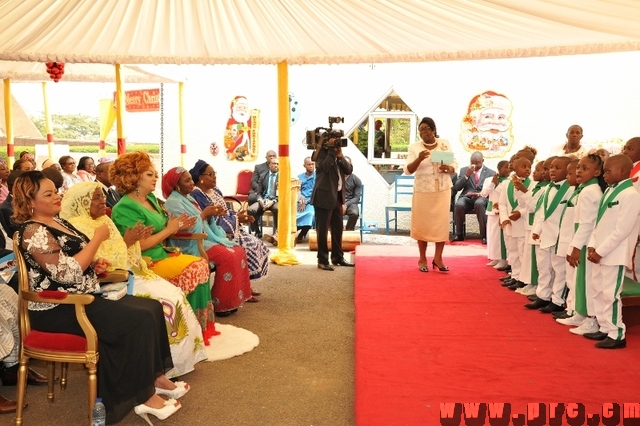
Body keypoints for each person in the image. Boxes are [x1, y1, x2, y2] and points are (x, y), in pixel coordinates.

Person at [12, 171, 184, 424]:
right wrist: (96, 240)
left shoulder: (58, 222)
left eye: (55, 190)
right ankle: (142, 396)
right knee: (135, 320)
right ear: (30, 201)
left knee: (151, 308)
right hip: (56, 307)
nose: (57, 195)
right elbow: (67, 274)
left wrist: (95, 265)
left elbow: (75, 261)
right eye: (48, 194)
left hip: (82, 296)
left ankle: (153, 379)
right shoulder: (32, 231)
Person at [60, 182, 209, 376]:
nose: (102, 200)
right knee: (164, 303)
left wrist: (130, 242)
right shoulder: (79, 224)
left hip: (129, 271)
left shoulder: (104, 218)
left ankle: (178, 361)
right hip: (109, 282)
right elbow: (101, 259)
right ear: (82, 201)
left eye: (102, 196)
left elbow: (119, 250)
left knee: (174, 294)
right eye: (96, 197)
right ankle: (161, 368)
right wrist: (128, 242)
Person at [109, 152, 216, 327]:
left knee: (200, 264)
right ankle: (186, 326)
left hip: (161, 252)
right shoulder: (125, 207)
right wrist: (169, 229)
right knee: (195, 267)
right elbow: (140, 246)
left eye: (155, 174)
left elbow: (165, 225)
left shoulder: (150, 198)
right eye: (149, 175)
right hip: (143, 262)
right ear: (134, 177)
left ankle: (199, 326)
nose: (155, 178)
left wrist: (178, 225)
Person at [162, 167, 255, 313]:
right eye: (187, 180)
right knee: (228, 256)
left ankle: (231, 299)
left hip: (203, 238)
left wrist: (211, 215)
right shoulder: (173, 202)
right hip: (188, 243)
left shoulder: (190, 198)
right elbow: (182, 228)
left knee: (238, 250)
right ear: (177, 185)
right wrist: (204, 214)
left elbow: (202, 222)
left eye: (191, 179)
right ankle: (220, 304)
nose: (192, 183)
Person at [586, 155, 640, 348]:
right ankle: (604, 327)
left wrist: (600, 250)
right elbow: (599, 223)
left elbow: (622, 230)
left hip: (614, 252)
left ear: (624, 172)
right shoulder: (609, 191)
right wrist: (592, 245)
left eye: (609, 171)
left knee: (610, 294)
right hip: (600, 250)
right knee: (598, 290)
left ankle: (617, 334)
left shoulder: (631, 195)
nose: (605, 174)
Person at [189, 160, 269, 282]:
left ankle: (245, 286)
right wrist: (236, 219)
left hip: (229, 227)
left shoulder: (215, 191)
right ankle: (242, 285)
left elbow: (226, 211)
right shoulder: (197, 194)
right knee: (249, 246)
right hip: (215, 233)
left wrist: (238, 216)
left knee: (257, 243)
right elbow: (213, 219)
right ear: (201, 178)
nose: (214, 177)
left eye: (214, 173)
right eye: (210, 174)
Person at [559, 154, 606, 333]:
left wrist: (576, 248)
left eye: (585, 168)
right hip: (581, 240)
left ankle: (591, 319)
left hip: (586, 243)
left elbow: (587, 224)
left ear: (597, 172)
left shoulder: (590, 191)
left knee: (587, 282)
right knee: (580, 280)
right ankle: (580, 314)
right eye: (579, 167)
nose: (579, 171)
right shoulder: (584, 189)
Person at [403, 117, 456, 273]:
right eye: (421, 130)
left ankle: (438, 258)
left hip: (442, 189)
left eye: (427, 129)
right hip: (423, 191)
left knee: (441, 225)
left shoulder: (444, 144)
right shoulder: (414, 147)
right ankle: (422, 258)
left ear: (434, 130)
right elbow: (408, 170)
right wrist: (419, 158)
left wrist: (449, 169)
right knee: (423, 225)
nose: (424, 132)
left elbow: (453, 163)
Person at [526, 156, 574, 312]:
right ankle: (543, 295)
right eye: (551, 167)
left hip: (560, 236)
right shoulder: (547, 188)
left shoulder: (571, 189)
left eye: (558, 168)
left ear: (568, 171)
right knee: (544, 267)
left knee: (559, 270)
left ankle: (558, 300)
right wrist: (537, 230)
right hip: (545, 235)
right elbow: (542, 213)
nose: (552, 170)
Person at [311, 137, 355, 271]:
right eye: (333, 142)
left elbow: (348, 170)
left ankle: (337, 257)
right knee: (322, 230)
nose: (336, 144)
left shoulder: (338, 155)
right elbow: (324, 167)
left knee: (337, 229)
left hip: (337, 197)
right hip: (323, 197)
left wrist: (340, 156)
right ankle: (322, 260)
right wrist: (331, 151)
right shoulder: (318, 154)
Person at [452, 151, 495, 243]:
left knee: (479, 204)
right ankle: (459, 234)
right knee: (459, 204)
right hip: (466, 197)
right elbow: (457, 187)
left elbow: (491, 190)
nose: (474, 165)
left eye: (477, 163)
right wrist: (466, 175)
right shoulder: (464, 170)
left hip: (481, 197)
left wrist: (480, 194)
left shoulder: (491, 173)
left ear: (483, 161)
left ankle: (484, 236)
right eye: (472, 162)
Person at [480, 160, 509, 267]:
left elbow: (505, 194)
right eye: (506, 167)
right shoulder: (488, 180)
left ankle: (503, 259)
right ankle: (495, 257)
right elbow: (484, 194)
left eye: (510, 167)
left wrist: (497, 184)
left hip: (501, 211)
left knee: (500, 237)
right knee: (492, 236)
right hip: (491, 210)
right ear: (499, 168)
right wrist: (493, 182)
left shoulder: (509, 181)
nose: (508, 169)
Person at [248, 158, 279, 246]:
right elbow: (258, 192)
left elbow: (282, 194)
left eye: (277, 164)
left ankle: (277, 234)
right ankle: (257, 231)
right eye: (273, 164)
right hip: (264, 200)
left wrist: (273, 201)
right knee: (251, 210)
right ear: (269, 165)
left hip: (274, 201)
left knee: (278, 209)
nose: (276, 165)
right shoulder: (263, 176)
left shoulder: (282, 177)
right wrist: (260, 200)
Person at [296, 157, 315, 242]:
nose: (311, 166)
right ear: (304, 165)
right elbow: (296, 190)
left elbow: (316, 193)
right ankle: (289, 234)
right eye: (309, 164)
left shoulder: (318, 177)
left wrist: (306, 202)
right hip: (299, 202)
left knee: (310, 214)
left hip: (312, 201)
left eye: (312, 164)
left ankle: (301, 234)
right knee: (292, 215)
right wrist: (300, 197)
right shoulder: (299, 177)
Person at [343, 156, 362, 231]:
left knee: (354, 213)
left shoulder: (356, 180)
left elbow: (357, 197)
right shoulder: (335, 178)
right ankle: (331, 234)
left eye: (347, 165)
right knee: (328, 212)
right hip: (336, 202)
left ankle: (348, 231)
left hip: (350, 203)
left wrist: (345, 204)